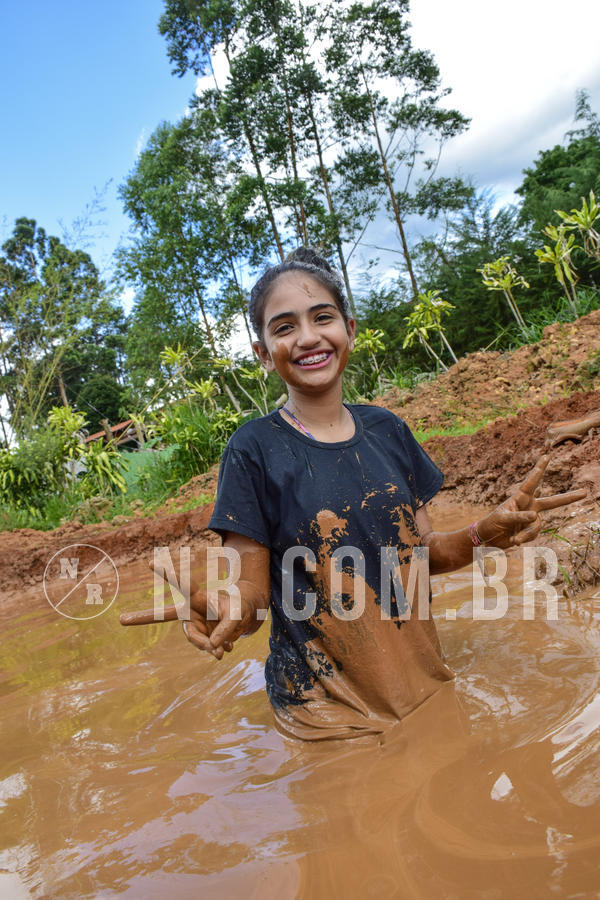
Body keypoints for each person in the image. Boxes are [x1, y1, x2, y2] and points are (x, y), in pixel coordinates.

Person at [121, 248, 587, 740]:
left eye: (322, 317)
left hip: (422, 681)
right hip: (325, 711)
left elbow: (422, 553)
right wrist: (229, 607)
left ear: (349, 328)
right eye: (283, 328)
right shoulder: (252, 449)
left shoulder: (388, 430)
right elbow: (253, 593)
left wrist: (482, 533)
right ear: (263, 353)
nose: (307, 337)